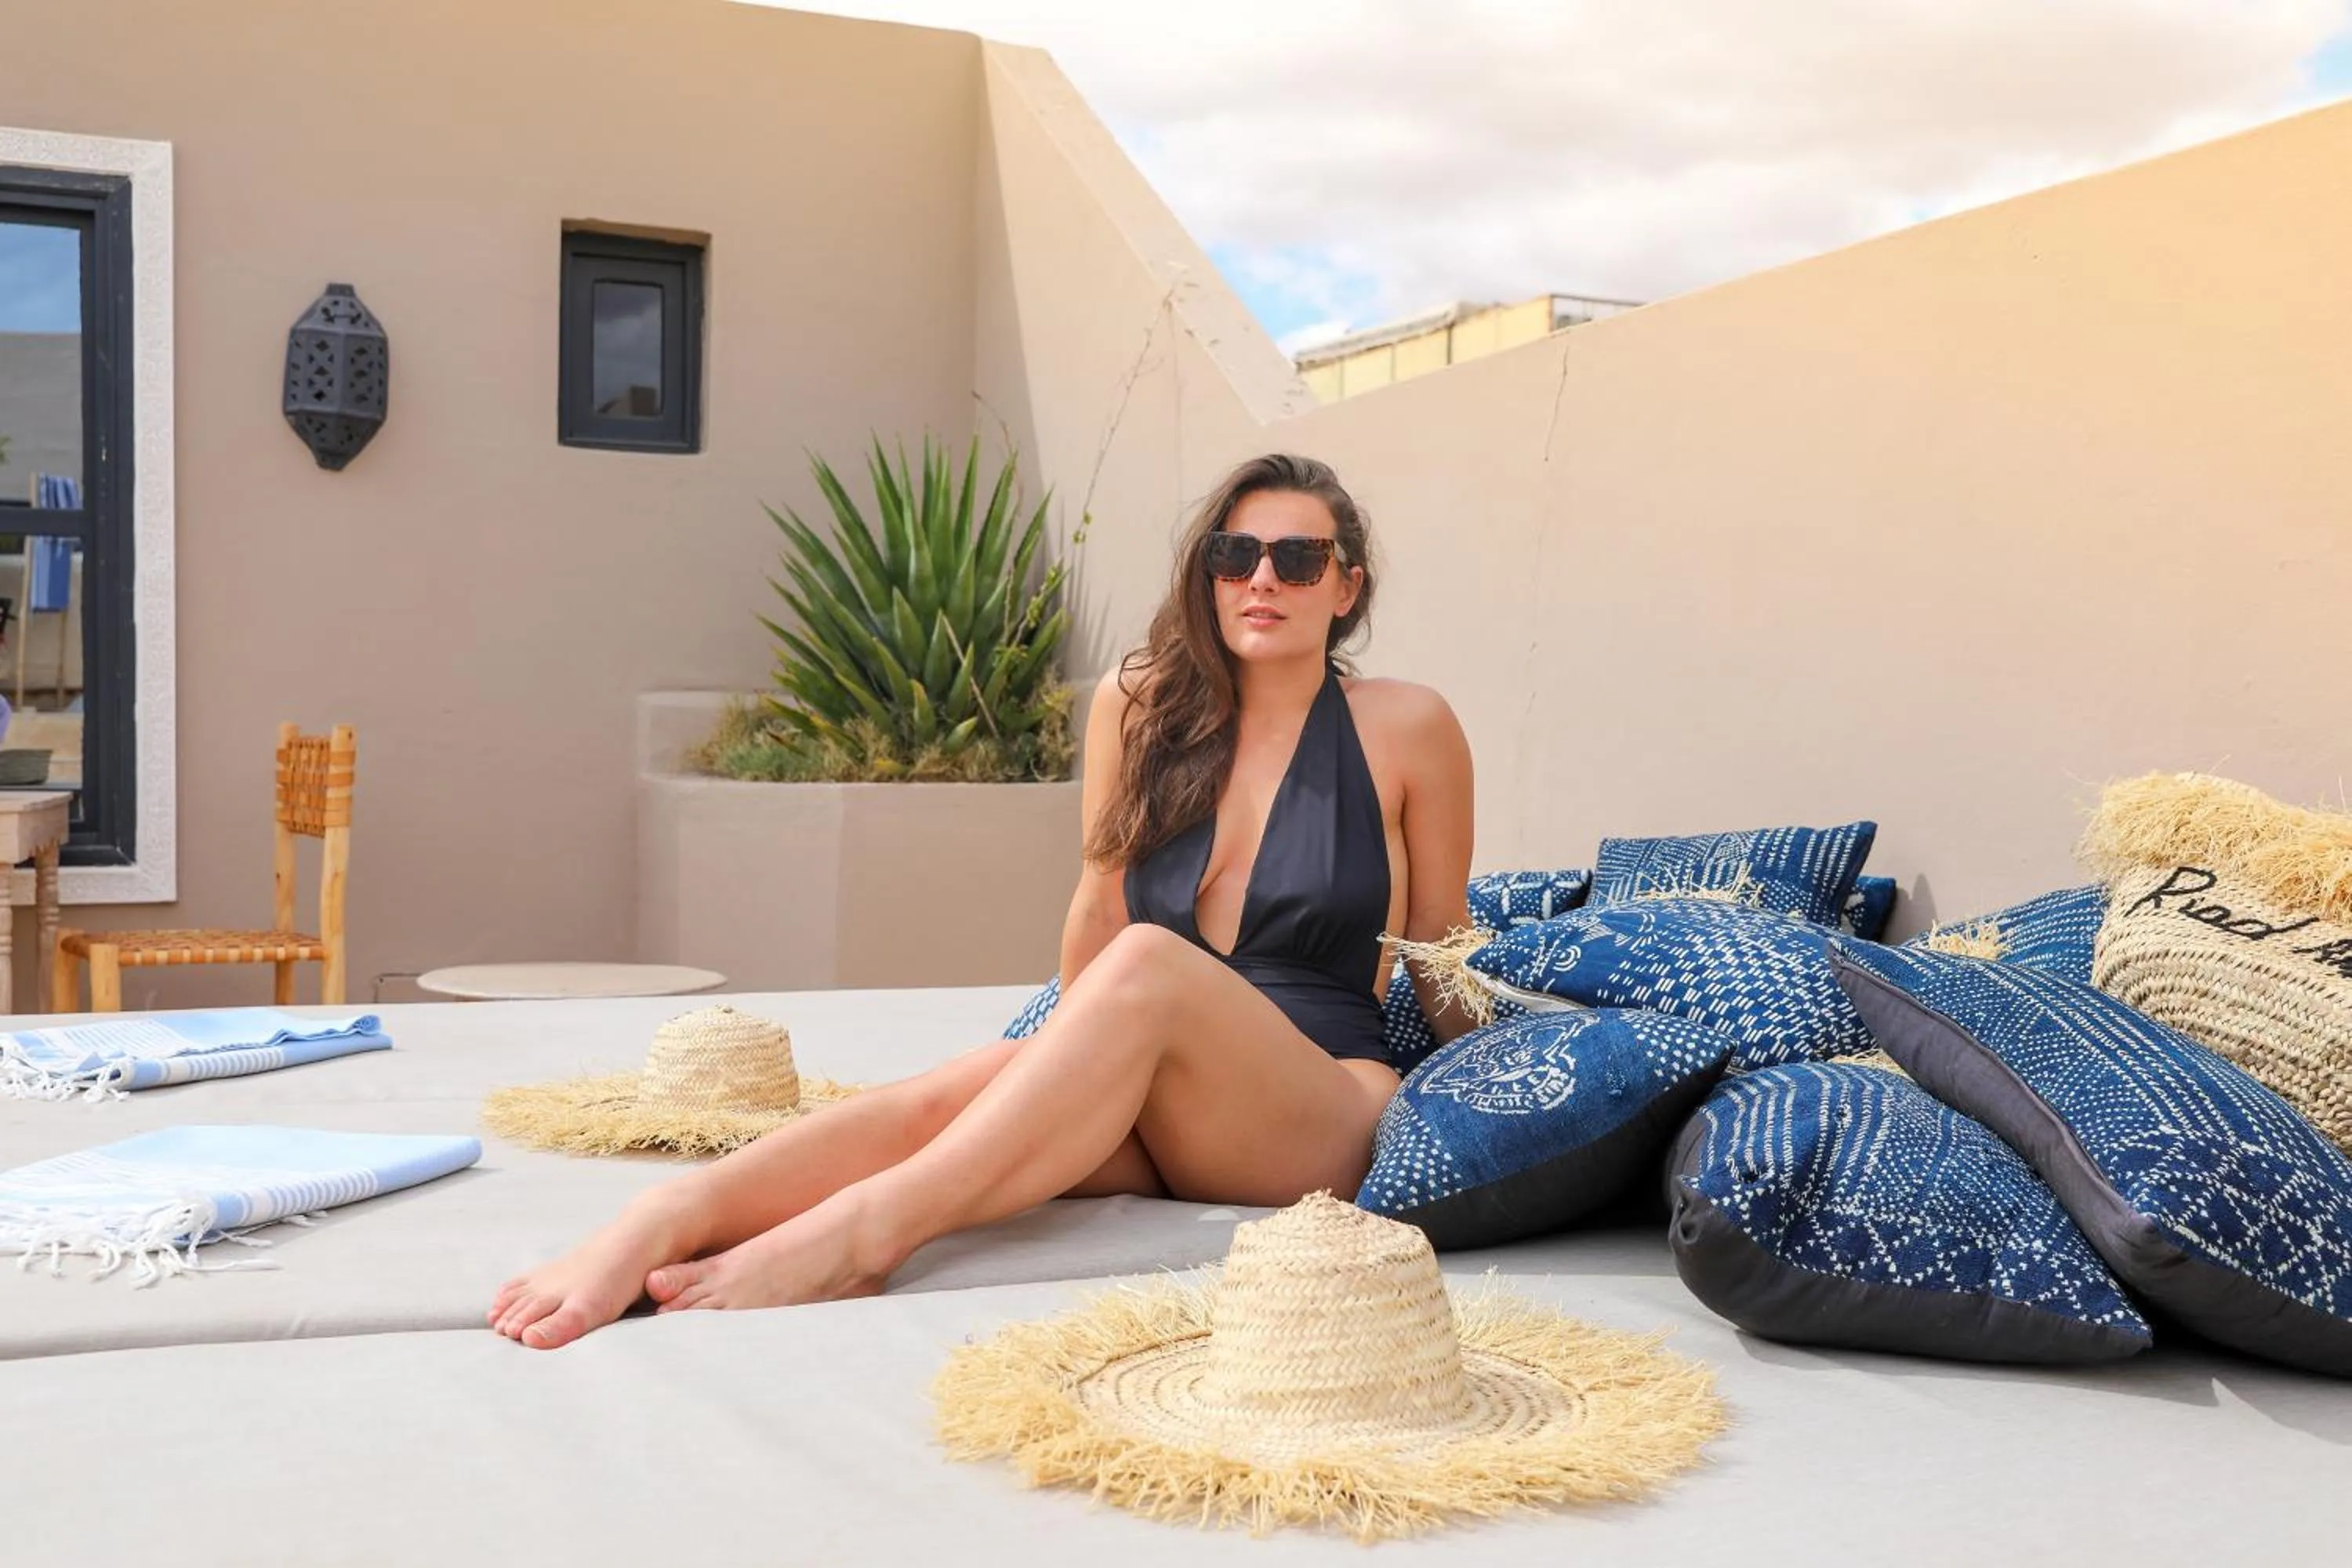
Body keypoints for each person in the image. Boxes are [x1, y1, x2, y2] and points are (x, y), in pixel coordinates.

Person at [490, 453, 1480, 1349]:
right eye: (1237, 552)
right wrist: (1044, 1062)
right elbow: (1099, 904)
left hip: (1313, 1112)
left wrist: (1506, 1097)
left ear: (1347, 585)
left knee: (1144, 965)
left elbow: (1441, 947)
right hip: (1163, 1091)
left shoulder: (1406, 724)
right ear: (1209, 571)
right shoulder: (1141, 706)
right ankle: (663, 1217)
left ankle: (864, 1234)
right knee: (949, 1092)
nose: (1263, 578)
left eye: (1299, 558)